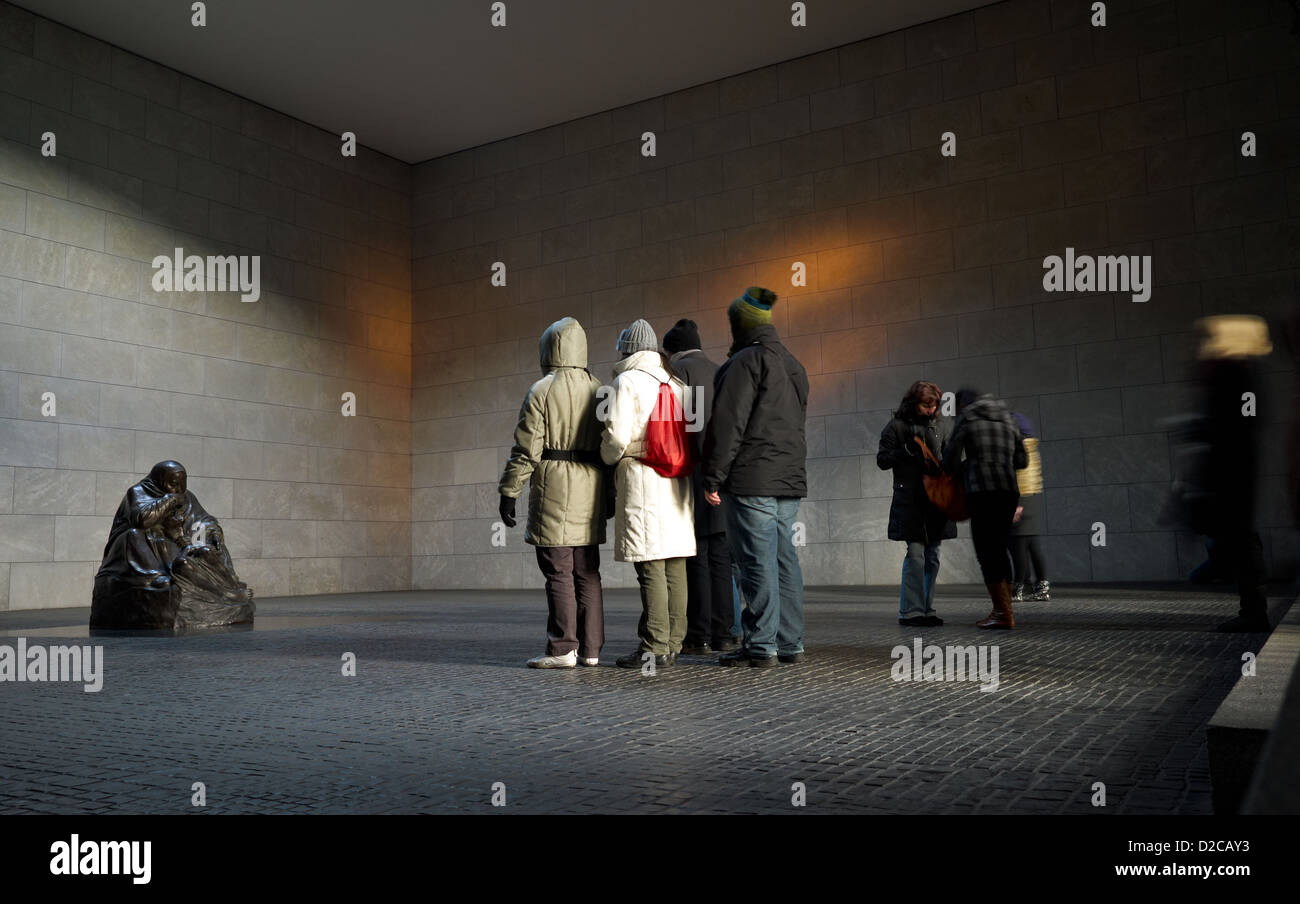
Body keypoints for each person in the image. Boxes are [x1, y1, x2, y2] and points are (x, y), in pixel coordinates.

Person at [701, 287, 810, 667]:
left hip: (752, 479)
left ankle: (761, 646)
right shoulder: (793, 364)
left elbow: (728, 426)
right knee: (784, 561)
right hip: (788, 478)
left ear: (739, 327)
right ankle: (790, 643)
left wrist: (713, 477)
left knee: (755, 562)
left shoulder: (744, 362)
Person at [499, 317, 609, 668]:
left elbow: (526, 449)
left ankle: (563, 649)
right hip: (592, 486)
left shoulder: (542, 390)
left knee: (557, 569)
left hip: (555, 489)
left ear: (548, 348)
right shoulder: (600, 388)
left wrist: (509, 491)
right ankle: (591, 650)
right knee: (588, 570)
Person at [601, 319, 697, 668]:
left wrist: (607, 459)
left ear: (627, 349)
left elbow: (615, 438)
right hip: (677, 480)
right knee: (675, 562)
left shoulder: (625, 382)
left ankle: (653, 646)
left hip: (643, 476)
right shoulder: (676, 381)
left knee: (650, 565)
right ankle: (673, 642)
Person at [1192, 316, 1273, 632]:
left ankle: (1253, 612)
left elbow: (1233, 426)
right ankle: (1251, 609)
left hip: (1232, 473)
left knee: (1240, 541)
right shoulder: (1236, 374)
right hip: (1234, 471)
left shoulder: (1233, 374)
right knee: (1239, 539)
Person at [663, 317, 736, 654]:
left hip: (692, 477)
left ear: (673, 351)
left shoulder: (680, 373)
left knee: (697, 558)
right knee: (722, 557)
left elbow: (682, 428)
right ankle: (724, 634)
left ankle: (699, 636)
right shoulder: (721, 370)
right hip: (722, 476)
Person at [942, 388, 1026, 629]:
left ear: (960, 405)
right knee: (1001, 549)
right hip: (1008, 491)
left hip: (981, 491)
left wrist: (969, 467)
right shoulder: (1008, 419)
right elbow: (1022, 461)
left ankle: (1002, 613)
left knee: (987, 552)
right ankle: (1005, 611)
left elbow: (950, 460)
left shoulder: (967, 418)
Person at [877, 381, 956, 626]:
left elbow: (953, 457)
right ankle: (911, 611)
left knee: (932, 555)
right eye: (926, 405)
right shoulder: (896, 426)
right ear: (914, 403)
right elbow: (882, 460)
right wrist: (907, 450)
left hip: (935, 500)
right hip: (910, 499)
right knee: (915, 553)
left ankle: (927, 609)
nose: (931, 410)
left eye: (934, 406)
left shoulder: (942, 425)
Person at [1009, 411, 1050, 603]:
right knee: (1033, 547)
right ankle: (1042, 587)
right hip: (1031, 500)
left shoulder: (1021, 448)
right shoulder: (1032, 448)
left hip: (1022, 500)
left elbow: (1021, 478)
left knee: (1019, 547)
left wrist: (1018, 506)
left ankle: (1018, 588)